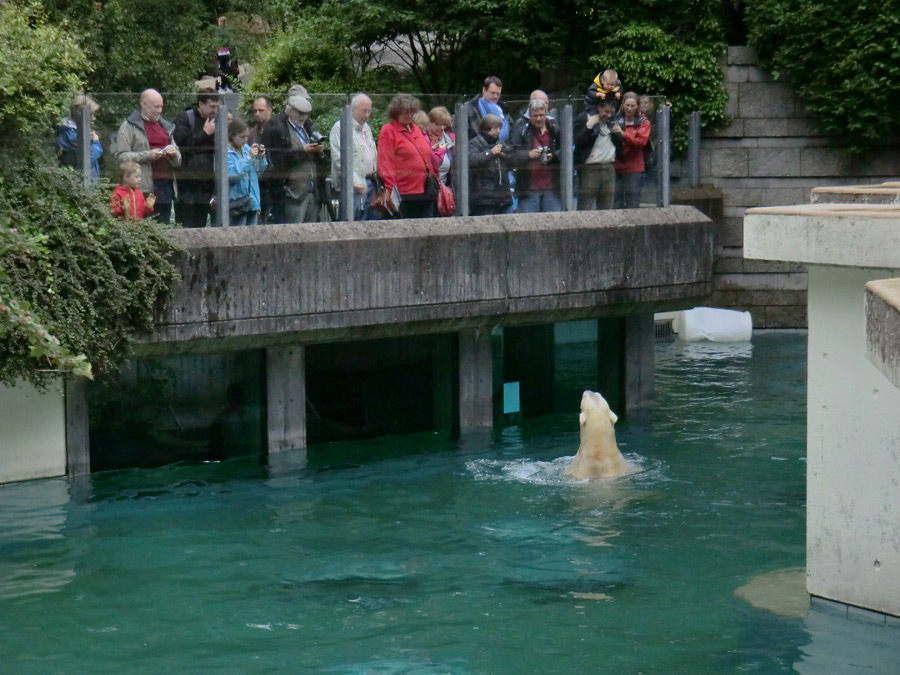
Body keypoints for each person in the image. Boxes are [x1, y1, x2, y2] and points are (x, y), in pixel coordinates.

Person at [261, 86, 328, 223]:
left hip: (313, 192)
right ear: (290, 111)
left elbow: (324, 161)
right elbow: (276, 160)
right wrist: (303, 151)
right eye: (300, 113)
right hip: (291, 194)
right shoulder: (275, 127)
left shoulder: (307, 126)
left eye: (306, 113)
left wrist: (320, 152)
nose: (303, 117)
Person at [115, 89, 181, 224]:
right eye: (156, 106)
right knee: (145, 228)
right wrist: (146, 155)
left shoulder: (166, 126)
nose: (159, 110)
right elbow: (121, 156)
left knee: (164, 228)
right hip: (141, 188)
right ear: (143, 104)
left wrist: (173, 153)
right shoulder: (128, 126)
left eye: (161, 106)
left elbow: (178, 160)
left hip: (166, 186)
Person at [377, 93, 439, 219]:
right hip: (404, 192)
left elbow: (426, 156)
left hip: (425, 189)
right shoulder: (388, 130)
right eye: (405, 112)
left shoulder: (415, 128)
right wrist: (389, 189)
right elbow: (385, 161)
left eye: (411, 112)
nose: (409, 115)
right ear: (396, 113)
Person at [173, 89, 220, 227]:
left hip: (205, 186)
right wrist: (204, 134)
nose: (215, 110)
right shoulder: (185, 118)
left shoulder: (216, 121)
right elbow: (181, 146)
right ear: (200, 104)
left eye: (217, 107)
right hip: (187, 186)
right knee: (186, 225)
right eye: (211, 107)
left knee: (201, 225)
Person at [329, 93, 379, 221]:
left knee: (369, 219)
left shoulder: (366, 127)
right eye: (364, 111)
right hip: (354, 186)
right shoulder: (340, 127)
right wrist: (356, 182)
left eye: (369, 112)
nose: (367, 115)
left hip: (371, 181)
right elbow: (339, 159)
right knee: (355, 219)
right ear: (353, 109)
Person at [511, 98, 561, 213]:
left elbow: (565, 152)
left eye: (541, 115)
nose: (538, 119)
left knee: (553, 223)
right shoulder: (522, 131)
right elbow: (511, 155)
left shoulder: (555, 130)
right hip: (528, 188)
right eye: (535, 116)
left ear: (546, 114)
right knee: (529, 224)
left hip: (552, 188)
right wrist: (528, 154)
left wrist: (552, 156)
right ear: (529, 116)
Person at [573, 98, 620, 210]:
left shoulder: (613, 121)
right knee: (585, 206)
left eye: (611, 112)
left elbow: (619, 143)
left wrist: (620, 133)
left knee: (607, 206)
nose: (609, 115)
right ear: (598, 107)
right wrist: (589, 126)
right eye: (606, 112)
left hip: (609, 167)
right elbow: (576, 141)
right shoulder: (583, 118)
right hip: (589, 168)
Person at [468, 114, 513, 216]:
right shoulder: (475, 143)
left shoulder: (500, 142)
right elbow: (472, 160)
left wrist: (506, 155)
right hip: (485, 197)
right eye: (496, 128)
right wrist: (490, 153)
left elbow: (512, 161)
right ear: (487, 128)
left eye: (500, 128)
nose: (498, 131)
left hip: (503, 195)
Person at [612, 91, 651, 209]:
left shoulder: (643, 122)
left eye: (632, 106)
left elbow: (640, 142)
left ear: (637, 107)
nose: (629, 109)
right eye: (627, 105)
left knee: (632, 203)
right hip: (616, 166)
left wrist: (623, 134)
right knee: (615, 204)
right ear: (622, 105)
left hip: (634, 168)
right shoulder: (615, 120)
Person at [227, 119, 267, 226]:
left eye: (247, 137)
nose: (245, 140)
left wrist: (260, 158)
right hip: (236, 204)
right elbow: (232, 175)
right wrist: (249, 158)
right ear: (232, 135)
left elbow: (259, 171)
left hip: (252, 202)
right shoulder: (225, 152)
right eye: (242, 137)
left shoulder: (246, 149)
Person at [56, 94, 103, 184]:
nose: (93, 118)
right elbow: (87, 158)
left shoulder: (73, 132)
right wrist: (96, 143)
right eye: (91, 114)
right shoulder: (69, 134)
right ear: (80, 113)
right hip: (76, 185)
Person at [465, 76, 512, 143]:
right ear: (484, 90)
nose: (495, 97)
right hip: (478, 149)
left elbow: (511, 130)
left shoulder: (504, 109)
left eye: (498, 94)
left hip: (502, 147)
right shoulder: (469, 108)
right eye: (493, 93)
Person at [426, 106, 455, 187]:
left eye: (444, 125)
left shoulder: (451, 139)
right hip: (428, 188)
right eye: (438, 124)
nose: (442, 128)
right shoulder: (422, 138)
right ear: (429, 122)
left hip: (446, 188)